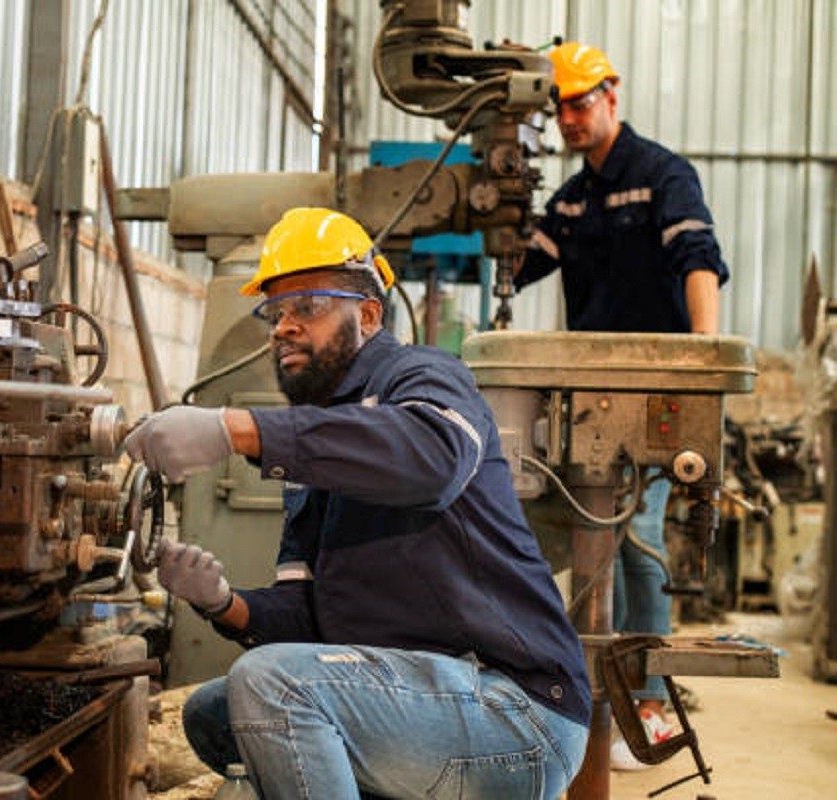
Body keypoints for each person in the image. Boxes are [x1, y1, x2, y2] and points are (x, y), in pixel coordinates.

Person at [124, 207, 590, 799]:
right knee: (216, 714)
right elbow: (308, 620)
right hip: (423, 701)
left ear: (368, 314)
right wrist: (222, 604)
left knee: (273, 686)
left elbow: (433, 461)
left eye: (307, 307)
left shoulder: (424, 377)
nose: (283, 327)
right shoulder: (315, 451)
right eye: (275, 311)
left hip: (517, 712)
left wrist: (235, 430)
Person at [514, 42, 730, 771]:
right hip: (585, 393)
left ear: (612, 96)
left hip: (656, 391)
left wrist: (703, 364)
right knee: (571, 527)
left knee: (633, 533)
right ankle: (579, 688)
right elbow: (519, 260)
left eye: (581, 102)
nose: (570, 118)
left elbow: (698, 258)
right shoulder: (573, 199)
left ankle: (648, 699)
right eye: (561, 107)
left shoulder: (662, 176)